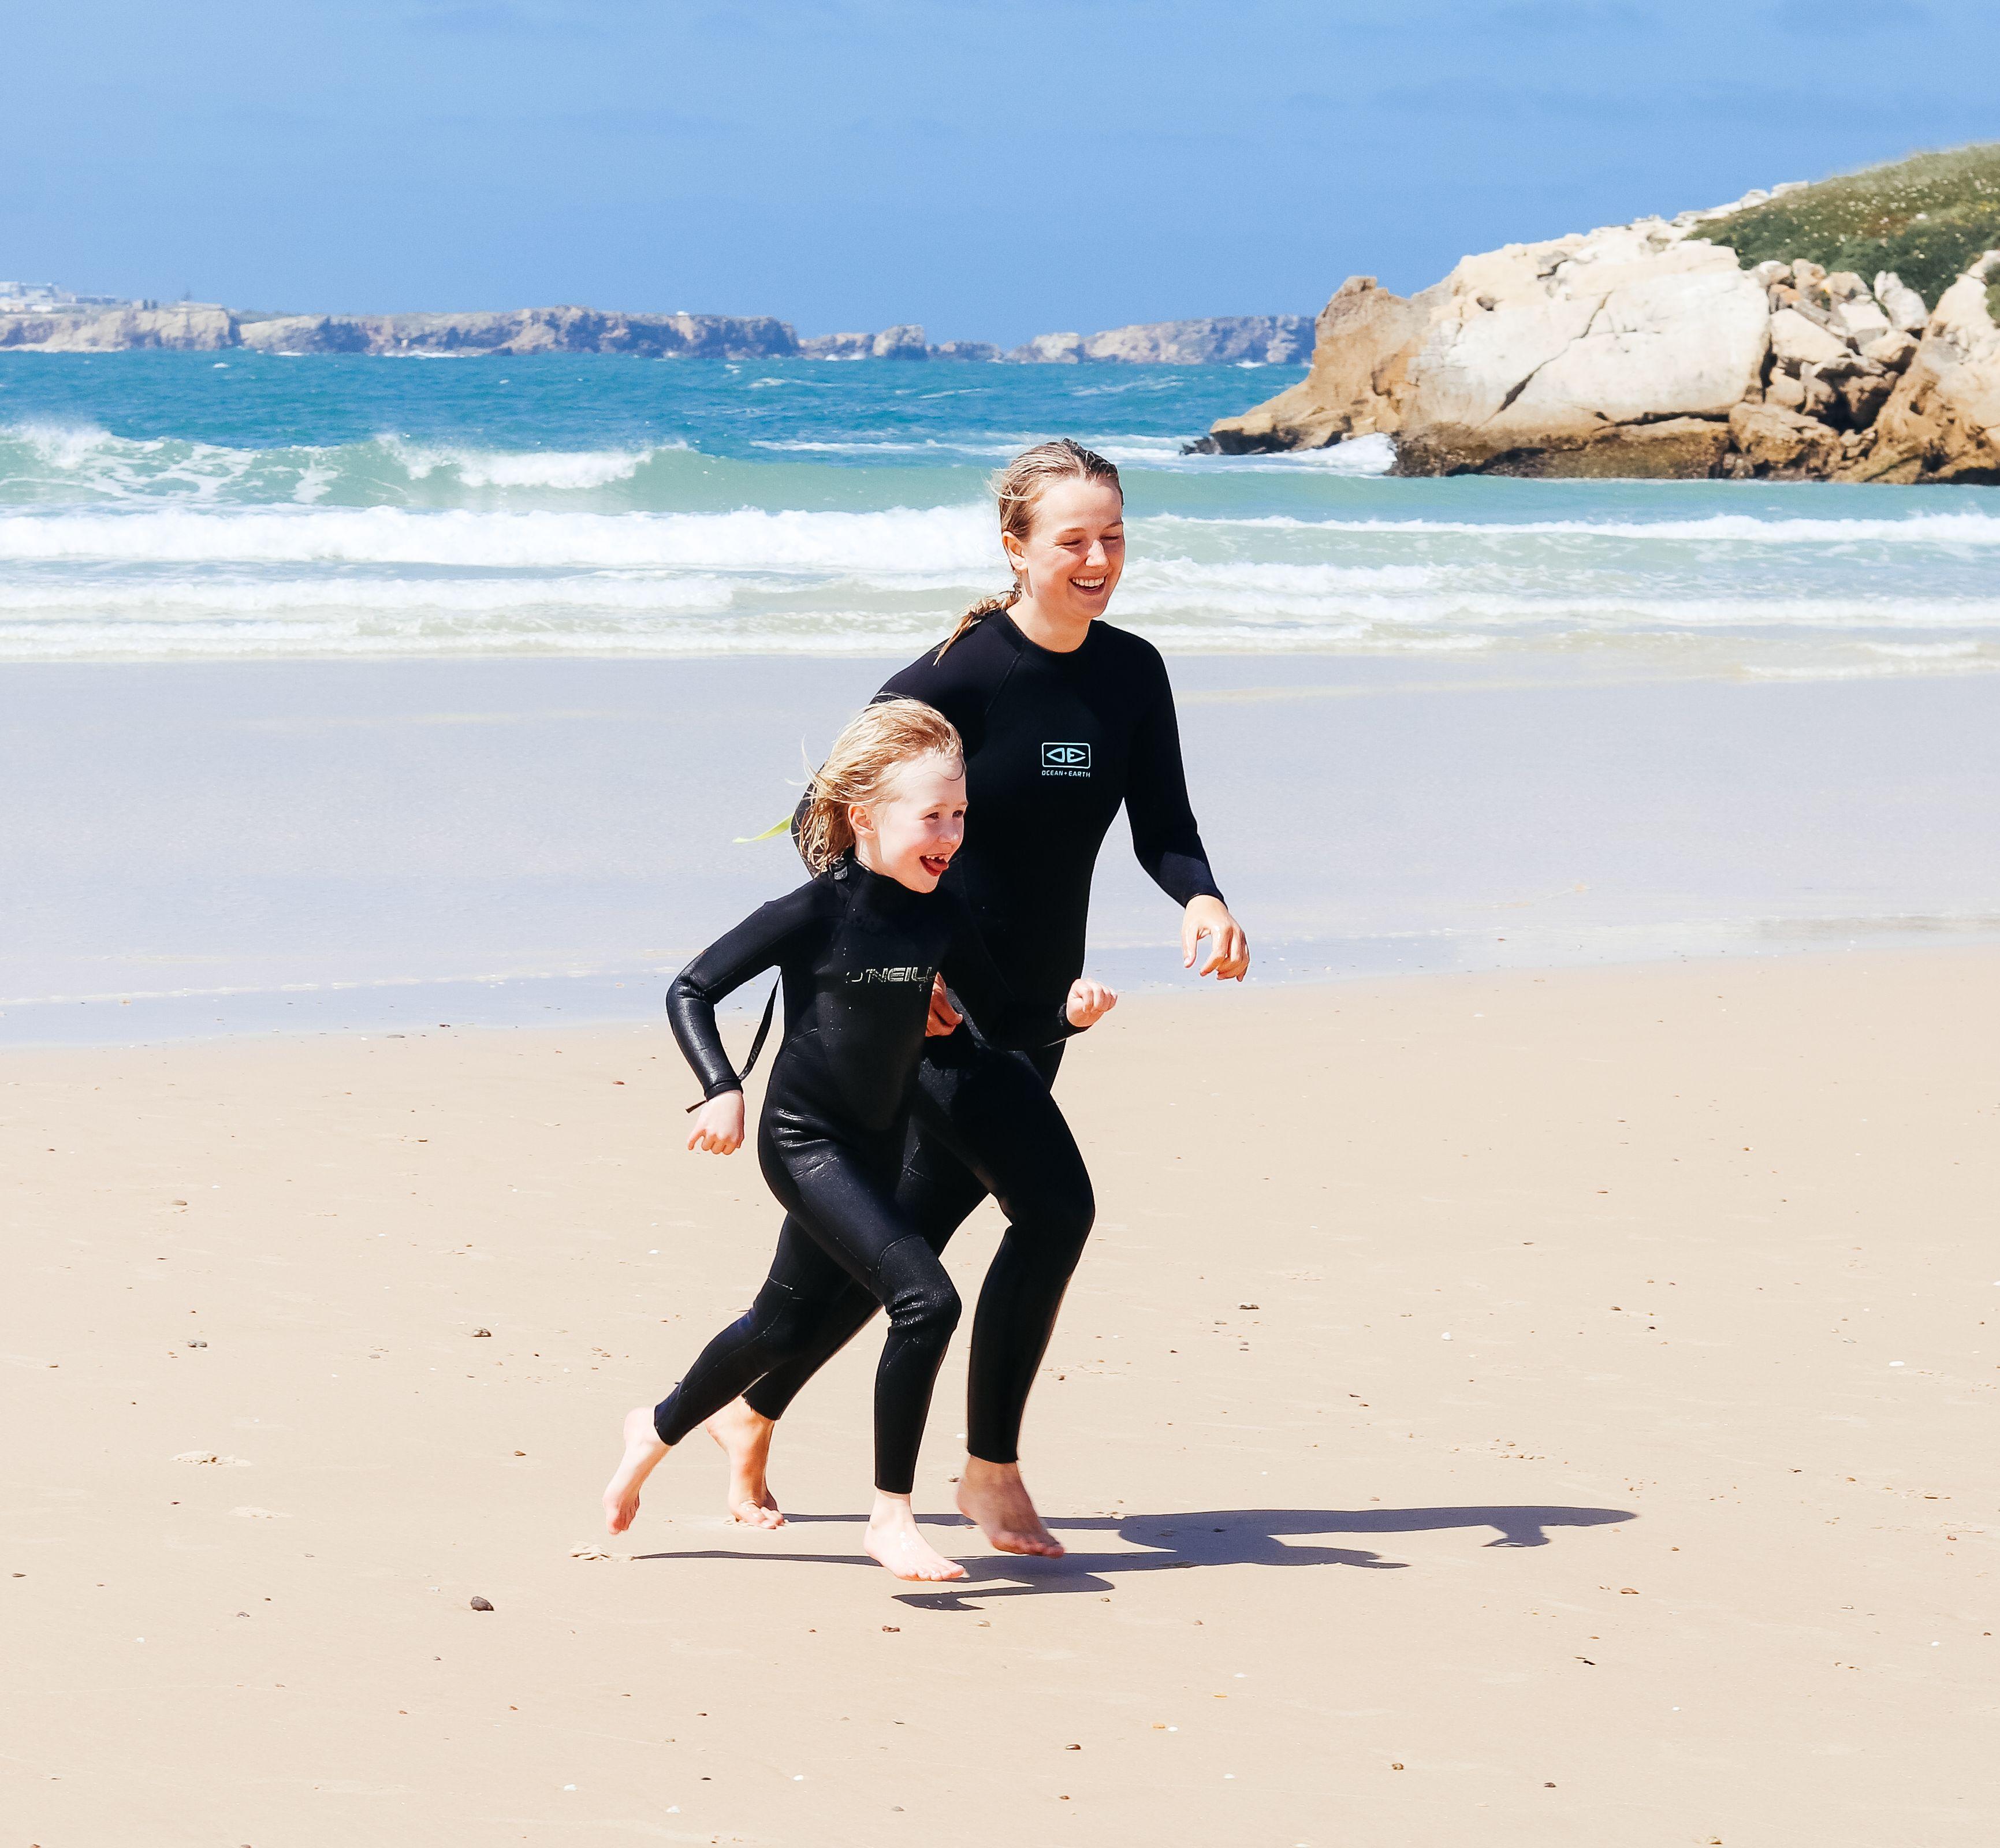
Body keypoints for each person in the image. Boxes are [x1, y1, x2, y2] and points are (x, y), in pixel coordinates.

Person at [703, 438, 1250, 1558]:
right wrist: (895, 977)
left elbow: (1165, 826)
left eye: (1113, 537)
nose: (1098, 560)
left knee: (897, 1239)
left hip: (1029, 1014)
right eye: (1073, 540)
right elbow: (826, 824)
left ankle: (749, 1408)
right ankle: (988, 1475)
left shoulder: (1131, 672)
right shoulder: (954, 679)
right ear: (1015, 546)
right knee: (1047, 1211)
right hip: (937, 1018)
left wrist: (1202, 898)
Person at [600, 697, 1117, 1582]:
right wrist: (721, 1091)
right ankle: (891, 1517)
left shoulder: (939, 909)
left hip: (874, 1144)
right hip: (805, 1144)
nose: (951, 836)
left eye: (960, 815)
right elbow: (692, 988)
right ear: (864, 817)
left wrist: (1068, 1017)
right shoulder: (811, 912)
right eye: (932, 816)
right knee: (928, 1301)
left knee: (779, 1327)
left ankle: (652, 1429)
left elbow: (1000, 1021)